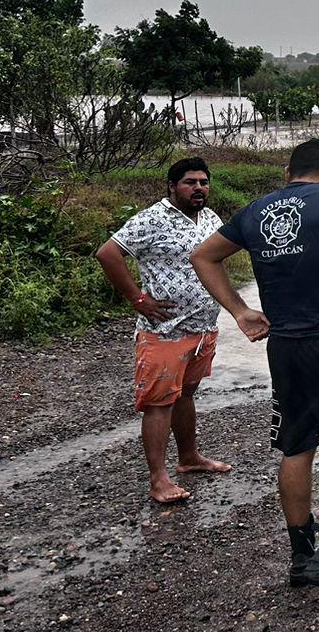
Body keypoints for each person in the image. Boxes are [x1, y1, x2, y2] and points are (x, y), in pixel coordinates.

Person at [191, 139, 319, 600]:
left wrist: (240, 311)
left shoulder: (257, 209)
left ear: (287, 172)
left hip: (283, 346)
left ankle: (301, 556)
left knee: (296, 445)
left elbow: (204, 255)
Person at [94, 157, 233, 504]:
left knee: (185, 395)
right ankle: (159, 479)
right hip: (164, 330)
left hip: (203, 328)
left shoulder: (210, 218)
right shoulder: (152, 219)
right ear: (172, 186)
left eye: (203, 181)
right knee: (159, 403)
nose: (198, 187)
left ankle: (189, 458)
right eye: (190, 182)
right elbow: (108, 253)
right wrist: (138, 299)